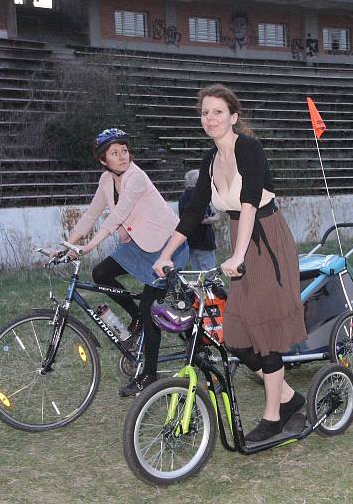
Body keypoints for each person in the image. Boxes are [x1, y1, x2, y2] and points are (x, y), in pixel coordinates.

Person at [153, 84, 308, 443]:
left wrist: (239, 254)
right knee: (235, 337)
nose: (210, 118)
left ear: (234, 117)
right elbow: (193, 213)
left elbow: (250, 201)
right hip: (241, 237)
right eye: (205, 112)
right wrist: (165, 252)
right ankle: (287, 397)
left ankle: (273, 417)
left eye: (217, 112)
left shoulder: (249, 149)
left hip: (267, 240)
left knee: (265, 333)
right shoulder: (209, 160)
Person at [65, 128, 187, 396]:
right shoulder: (106, 181)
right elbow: (91, 215)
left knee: (150, 310)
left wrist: (88, 247)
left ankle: (149, 376)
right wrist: (67, 245)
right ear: (103, 161)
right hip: (138, 245)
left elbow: (117, 215)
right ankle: (136, 318)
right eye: (114, 153)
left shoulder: (137, 177)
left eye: (124, 150)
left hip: (166, 246)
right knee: (101, 273)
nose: (122, 156)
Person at [178, 169, 220, 270]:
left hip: (191, 241)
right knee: (208, 273)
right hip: (203, 241)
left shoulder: (183, 197)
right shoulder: (198, 196)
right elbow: (202, 219)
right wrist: (215, 218)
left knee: (196, 273)